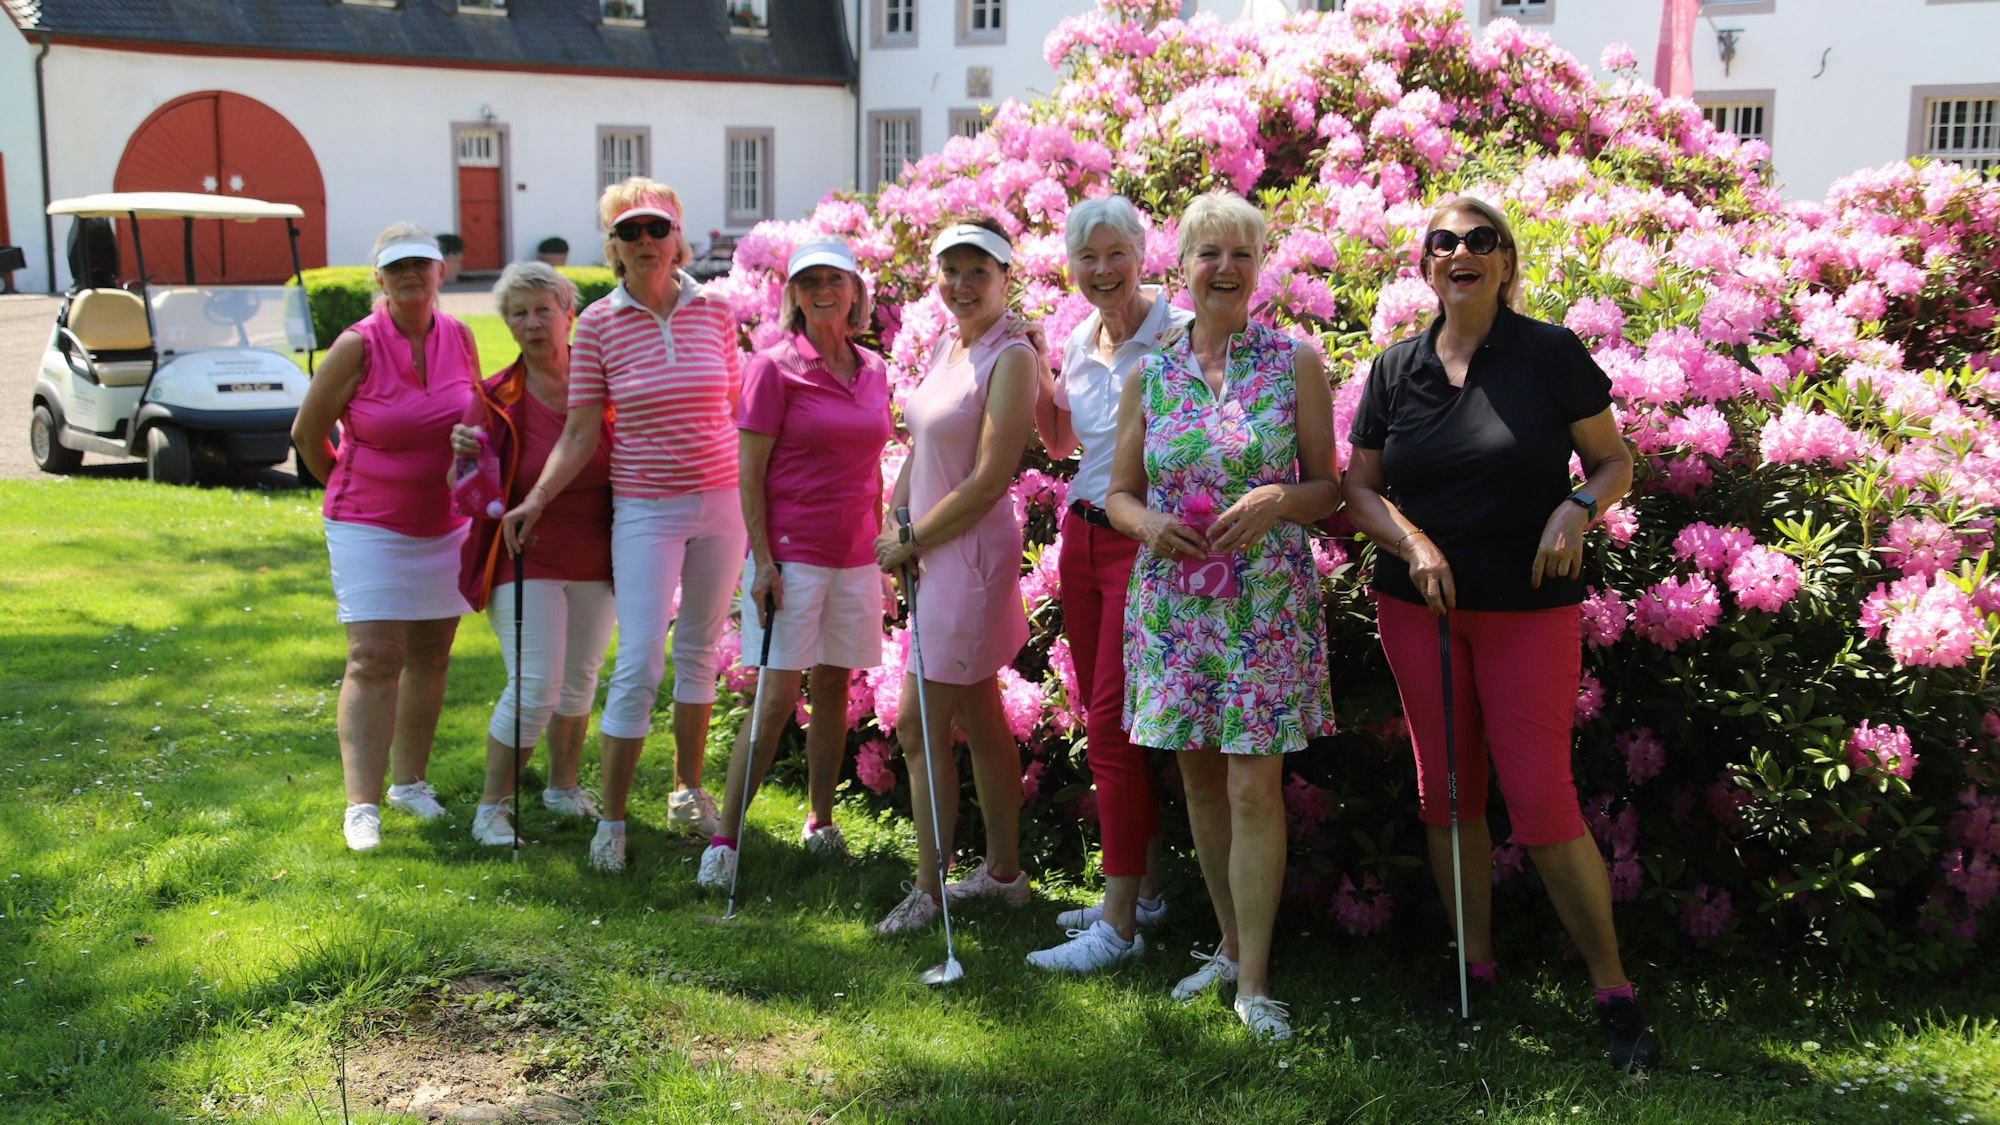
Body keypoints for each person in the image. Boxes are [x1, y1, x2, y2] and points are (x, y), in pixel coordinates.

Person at [1341, 195, 1658, 1070]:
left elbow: (1614, 459)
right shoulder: (1395, 367)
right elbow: (1358, 488)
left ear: (1507, 261)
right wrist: (1412, 543)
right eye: (1443, 242)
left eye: (1480, 241)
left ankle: (1614, 993)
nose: (1461, 253)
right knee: (1447, 795)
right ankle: (1473, 968)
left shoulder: (1549, 353)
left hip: (1528, 612)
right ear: (1425, 266)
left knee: (1542, 800)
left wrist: (1578, 507)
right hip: (1420, 610)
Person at [1104, 191, 1339, 1042]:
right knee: (1200, 774)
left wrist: (1280, 498)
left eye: (1241, 253)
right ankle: (1230, 946)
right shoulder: (1151, 372)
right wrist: (1146, 523)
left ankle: (1257, 982)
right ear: (1184, 266)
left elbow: (1330, 489)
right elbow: (1118, 492)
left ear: (1259, 265)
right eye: (1209, 253)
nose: (1226, 269)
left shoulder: (1295, 361)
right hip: (1175, 604)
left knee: (1252, 780)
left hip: (1266, 604)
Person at [502, 178, 747, 873]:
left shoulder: (718, 312)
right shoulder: (600, 326)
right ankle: (610, 821)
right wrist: (537, 499)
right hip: (645, 507)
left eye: (657, 230)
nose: (646, 243)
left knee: (700, 647)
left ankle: (687, 790)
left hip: (720, 501)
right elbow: (580, 434)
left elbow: (732, 409)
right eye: (631, 233)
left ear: (680, 240)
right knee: (641, 657)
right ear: (613, 247)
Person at [696, 238, 893, 889]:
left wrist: (884, 550)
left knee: (834, 688)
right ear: (795, 295)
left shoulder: (872, 367)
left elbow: (870, 470)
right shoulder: (773, 366)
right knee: (778, 695)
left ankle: (821, 820)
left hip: (857, 556)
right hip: (793, 557)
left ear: (856, 292)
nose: (822, 291)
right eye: (809, 282)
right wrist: (762, 561)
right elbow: (748, 473)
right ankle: (725, 839)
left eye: (835, 279)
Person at [1026, 195, 1188, 973]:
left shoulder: (1181, 336)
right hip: (1081, 542)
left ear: (1142, 252)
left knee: (1112, 727)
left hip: (1144, 545)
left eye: (1114, 253)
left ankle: (1118, 928)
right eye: (1086, 257)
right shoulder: (1079, 339)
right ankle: (1147, 891)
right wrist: (1031, 366)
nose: (1101, 270)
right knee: (1109, 723)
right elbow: (1063, 440)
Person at [872, 215, 1041, 934]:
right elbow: (925, 438)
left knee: (918, 725)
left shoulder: (1012, 357)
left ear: (1008, 277)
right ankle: (1004, 875)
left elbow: (987, 479)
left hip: (966, 556)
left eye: (980, 271)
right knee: (978, 712)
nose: (963, 285)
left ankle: (927, 891)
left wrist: (908, 537)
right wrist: (893, 507)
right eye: (952, 271)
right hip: (932, 546)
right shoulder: (952, 340)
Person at [292, 224, 479, 852]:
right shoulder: (357, 345)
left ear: (439, 273)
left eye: (421, 265)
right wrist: (351, 487)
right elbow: (307, 433)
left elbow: (474, 418)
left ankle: (410, 784)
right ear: (380, 278)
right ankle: (361, 806)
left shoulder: (461, 337)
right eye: (396, 267)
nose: (410, 276)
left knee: (433, 653)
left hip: (444, 523)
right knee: (374, 657)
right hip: (367, 524)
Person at [451, 262, 614, 848]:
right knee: (535, 684)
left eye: (543, 309)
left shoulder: (606, 385)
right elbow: (465, 491)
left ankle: (562, 788)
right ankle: (492, 810)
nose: (533, 323)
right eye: (518, 313)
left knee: (579, 681)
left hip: (598, 555)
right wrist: (462, 456)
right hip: (527, 556)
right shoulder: (494, 399)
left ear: (569, 312)